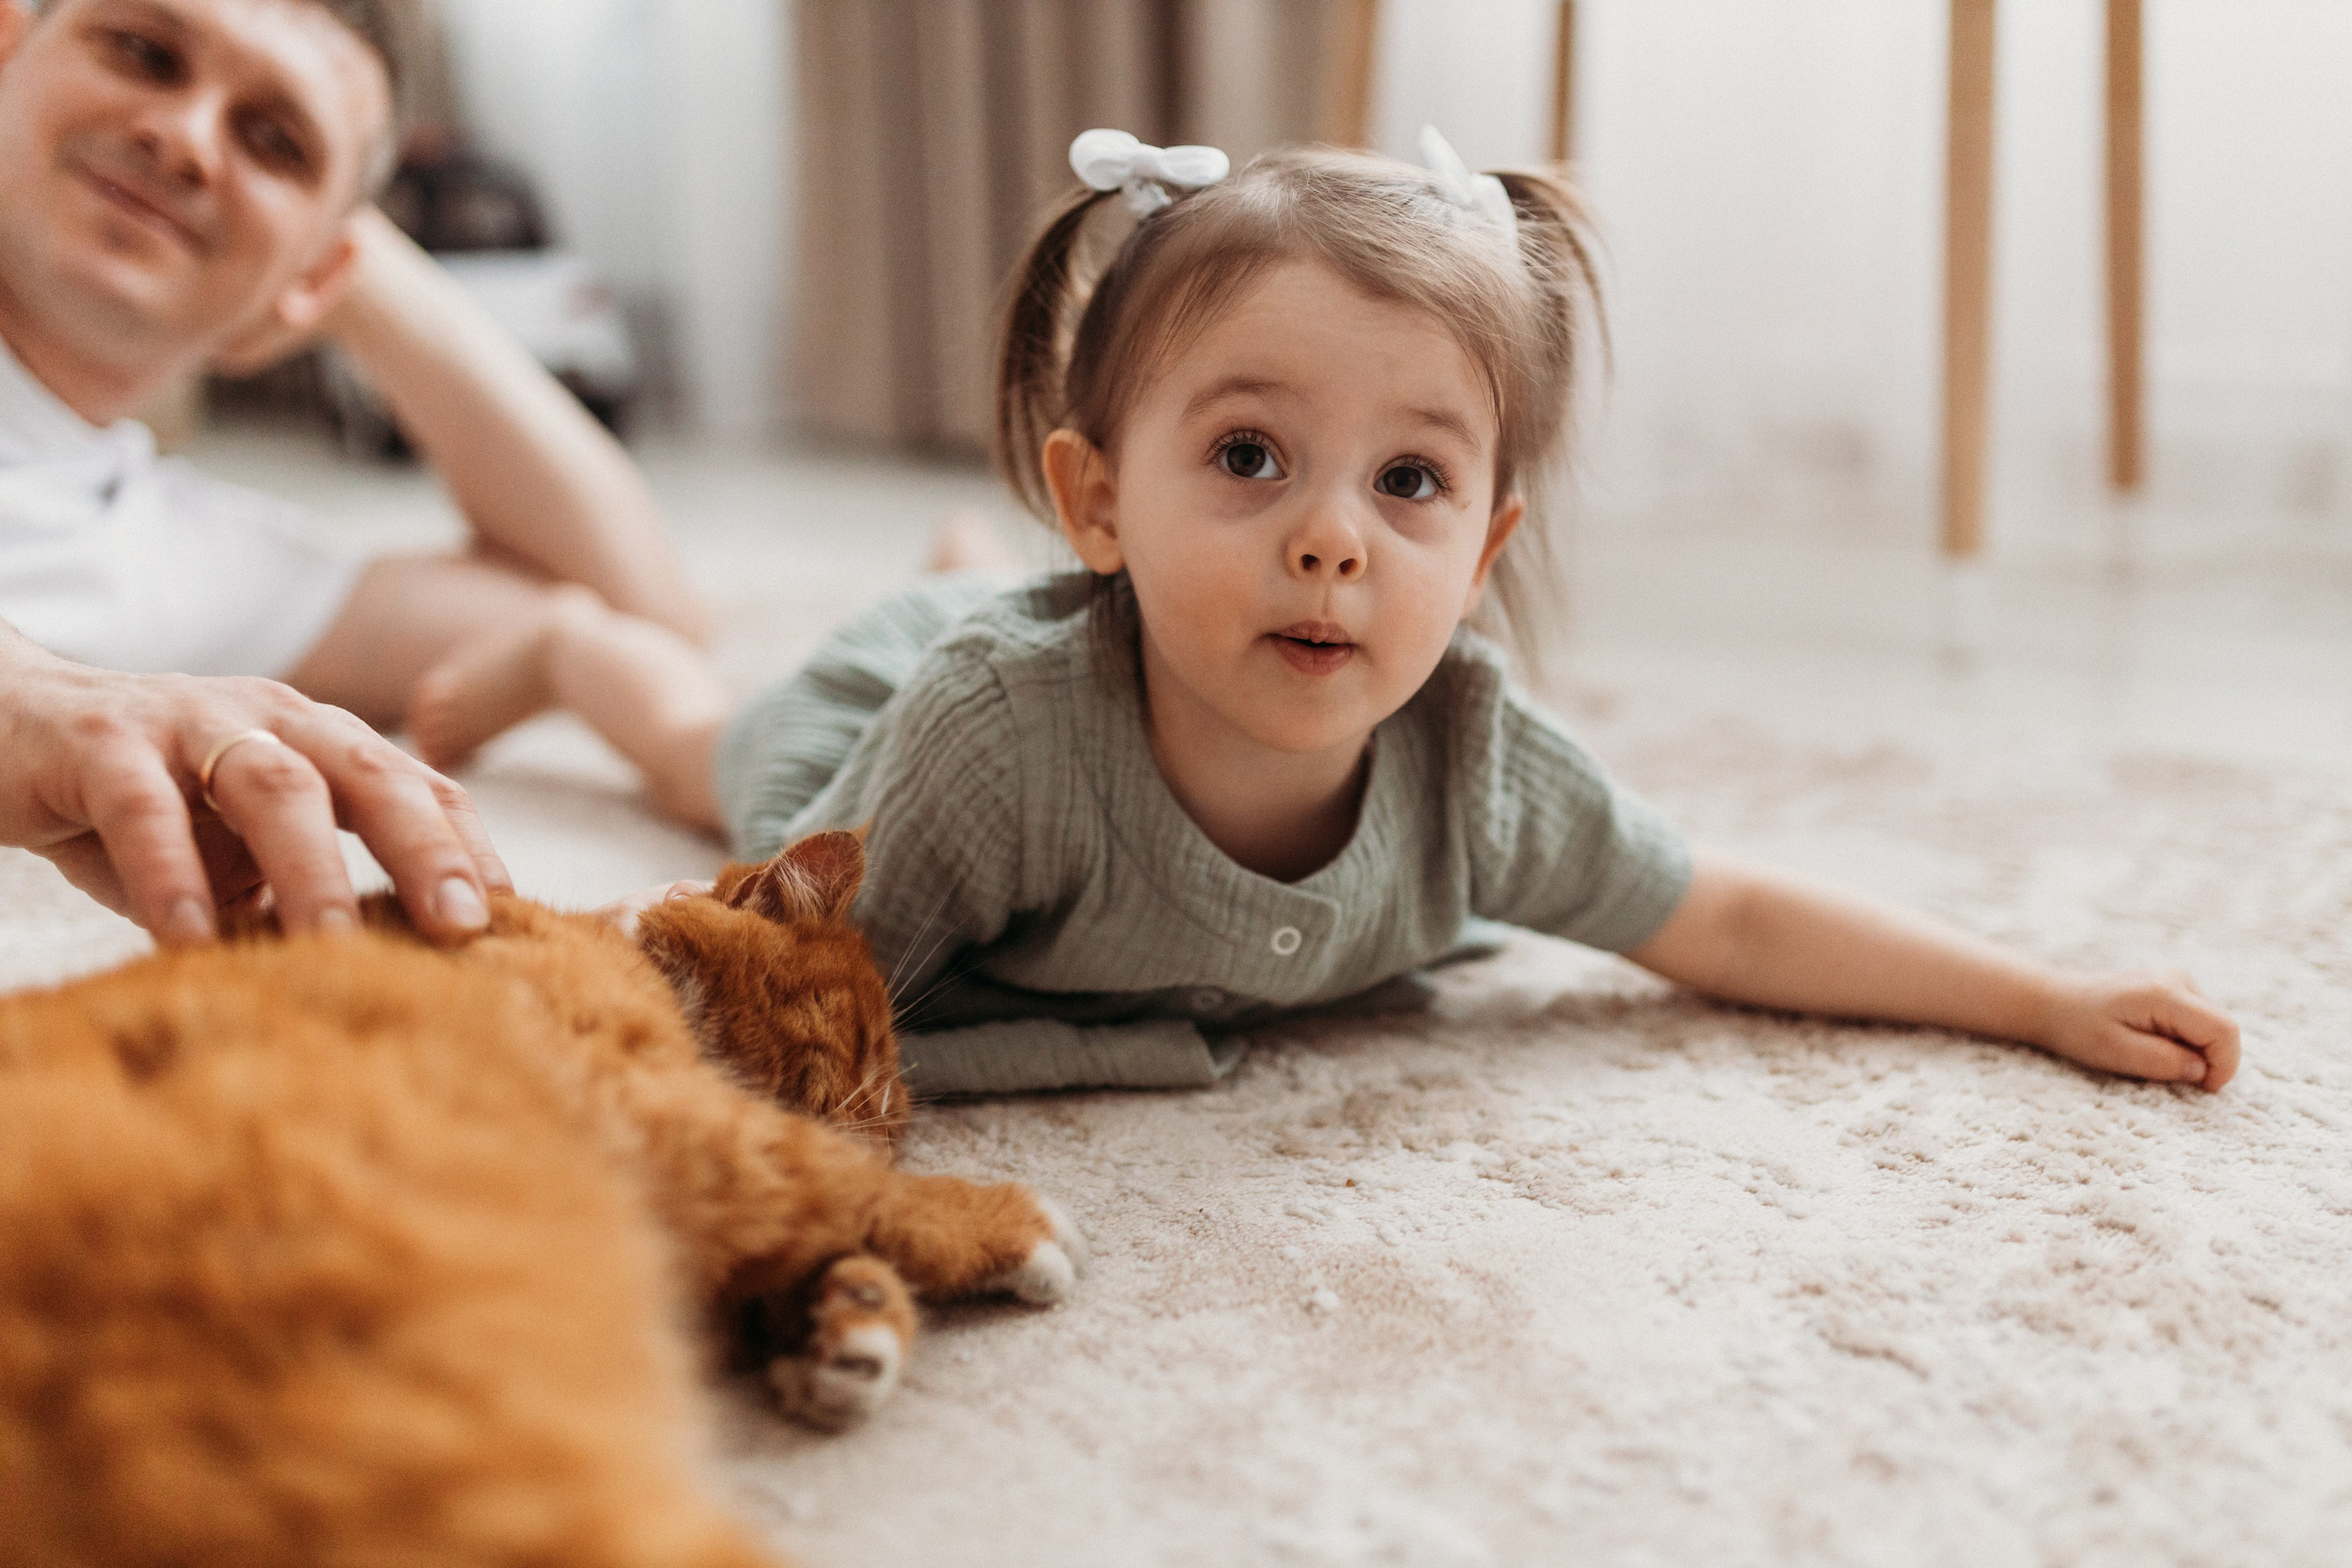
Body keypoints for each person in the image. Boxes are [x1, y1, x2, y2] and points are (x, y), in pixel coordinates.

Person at [428, 129, 2245, 1100]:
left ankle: (961, 570)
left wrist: (2040, 997)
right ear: (1096, 491)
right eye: (1245, 455)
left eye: (1407, 483)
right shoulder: (987, 749)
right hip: (898, 731)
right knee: (701, 761)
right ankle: (578, 645)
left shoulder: (1474, 756)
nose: (1330, 543)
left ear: (1484, 539)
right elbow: (779, 1003)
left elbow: (1726, 907)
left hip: (1055, 624)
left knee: (949, 649)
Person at [0, 0, 711, 936]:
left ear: (316, 281)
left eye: (275, 142)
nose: (186, 140)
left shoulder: (179, 555)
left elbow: (636, 611)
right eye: (143, 52)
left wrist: (335, 266)